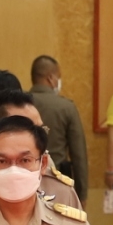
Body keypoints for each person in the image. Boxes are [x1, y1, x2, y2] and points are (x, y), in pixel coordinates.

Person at [28, 55, 89, 203]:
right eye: (59, 77)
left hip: (24, 181)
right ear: (51, 78)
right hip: (58, 182)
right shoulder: (66, 107)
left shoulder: (17, 103)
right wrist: (81, 195)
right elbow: (79, 156)